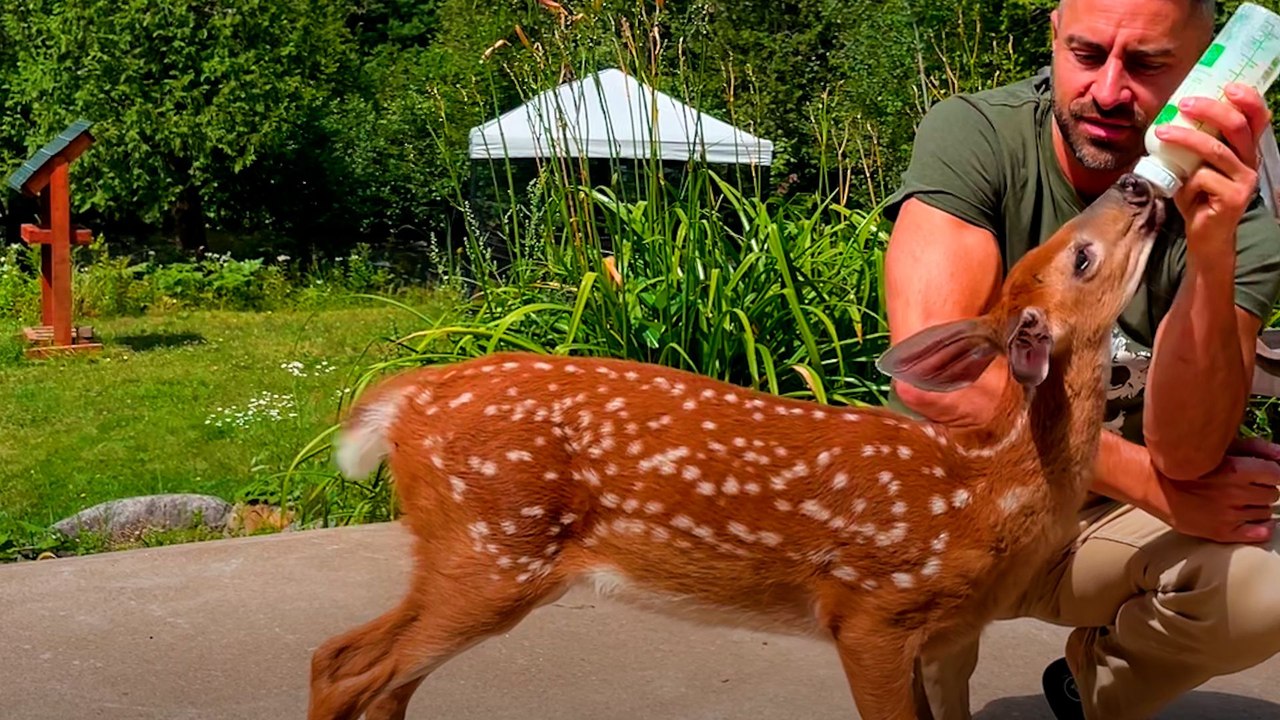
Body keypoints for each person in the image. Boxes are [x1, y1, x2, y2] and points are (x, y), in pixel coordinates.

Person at [880, 0, 1280, 718]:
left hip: (1098, 524)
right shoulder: (976, 133)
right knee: (915, 647)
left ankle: (1096, 688)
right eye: (1088, 54)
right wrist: (1162, 492)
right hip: (961, 503)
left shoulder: (1235, 199)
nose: (1107, 91)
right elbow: (939, 383)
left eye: (1149, 64)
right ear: (1055, 36)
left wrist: (1212, 252)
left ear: (1206, 66)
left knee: (1265, 584)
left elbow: (1187, 454)